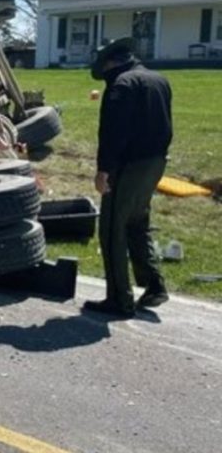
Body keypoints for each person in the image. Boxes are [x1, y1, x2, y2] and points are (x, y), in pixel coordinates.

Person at [84, 37, 173, 318]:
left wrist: (104, 170)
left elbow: (113, 133)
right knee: (138, 223)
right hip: (155, 162)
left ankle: (119, 299)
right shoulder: (158, 79)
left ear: (110, 62)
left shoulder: (121, 85)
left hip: (128, 166)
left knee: (113, 229)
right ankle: (155, 285)